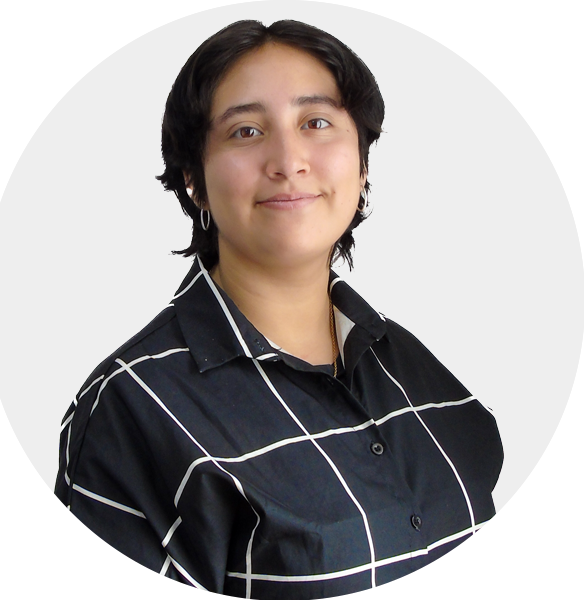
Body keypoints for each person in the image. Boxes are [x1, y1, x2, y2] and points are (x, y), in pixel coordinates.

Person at [55, 20, 503, 600]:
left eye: (316, 122)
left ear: (362, 163)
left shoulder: (419, 369)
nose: (289, 161)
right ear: (194, 181)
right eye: (245, 131)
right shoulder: (129, 406)